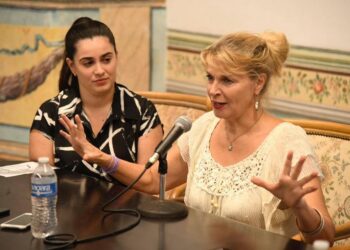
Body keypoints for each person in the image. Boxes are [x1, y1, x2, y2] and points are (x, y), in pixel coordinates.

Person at [57, 31, 335, 244]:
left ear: (258, 83)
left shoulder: (287, 141)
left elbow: (324, 240)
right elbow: (153, 181)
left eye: (226, 80)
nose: (212, 90)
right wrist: (104, 159)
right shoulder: (204, 126)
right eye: (210, 78)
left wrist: (300, 207)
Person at [29, 17, 163, 182]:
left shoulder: (142, 111)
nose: (100, 70)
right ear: (72, 67)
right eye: (88, 63)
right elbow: (41, 185)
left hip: (127, 208)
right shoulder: (50, 113)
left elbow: (150, 181)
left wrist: (103, 159)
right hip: (64, 207)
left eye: (106, 60)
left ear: (116, 57)